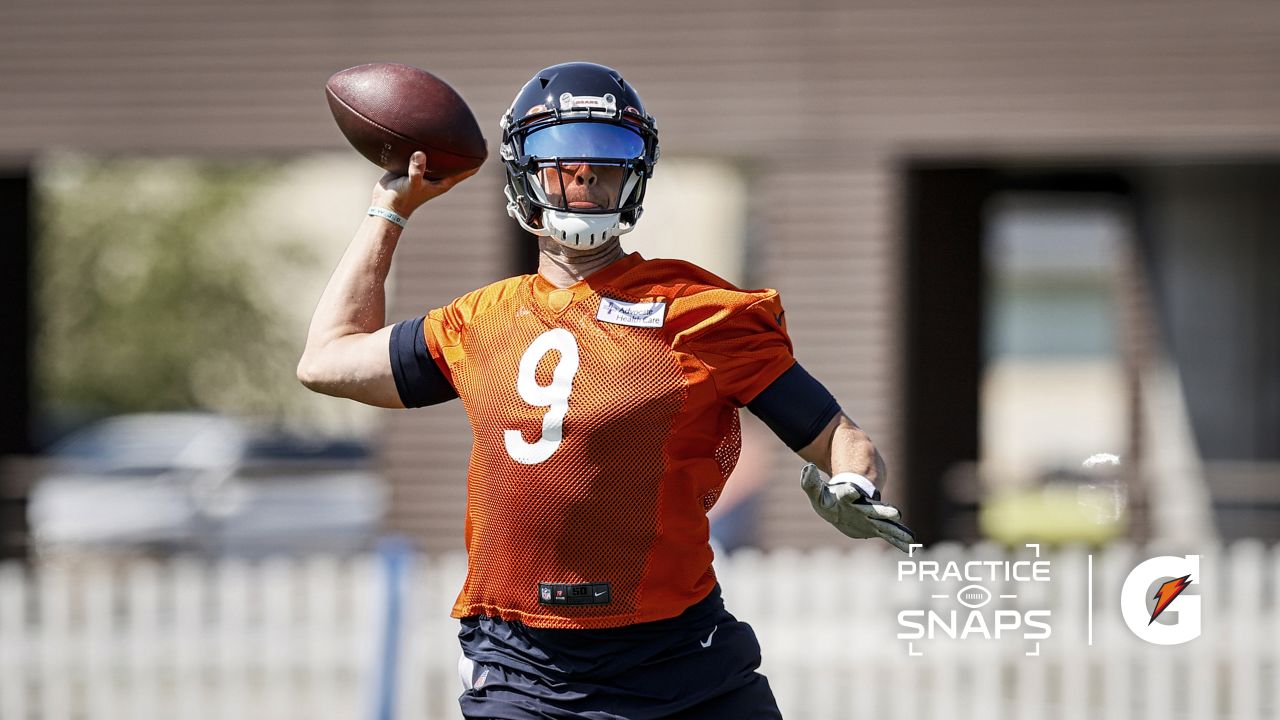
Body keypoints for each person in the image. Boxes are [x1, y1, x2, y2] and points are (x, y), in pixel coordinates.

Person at [298, 61, 915, 720]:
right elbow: (326, 359)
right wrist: (388, 209)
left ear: (637, 172)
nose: (585, 177)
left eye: (606, 160)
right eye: (562, 163)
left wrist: (856, 484)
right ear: (522, 173)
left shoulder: (702, 311)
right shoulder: (476, 320)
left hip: (679, 657)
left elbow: (837, 437)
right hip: (523, 666)